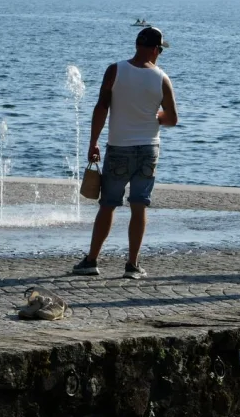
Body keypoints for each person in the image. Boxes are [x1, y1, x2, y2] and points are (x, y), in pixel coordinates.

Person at [72, 27, 178, 280]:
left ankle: (92, 260)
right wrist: (158, 117)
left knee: (108, 205)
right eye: (161, 50)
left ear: (137, 45)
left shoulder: (115, 70)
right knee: (139, 205)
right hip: (149, 148)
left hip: (119, 146)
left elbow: (102, 107)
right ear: (155, 49)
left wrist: (93, 142)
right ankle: (132, 265)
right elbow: (172, 119)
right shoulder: (162, 78)